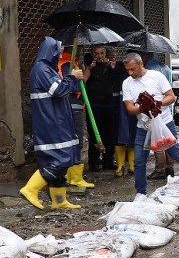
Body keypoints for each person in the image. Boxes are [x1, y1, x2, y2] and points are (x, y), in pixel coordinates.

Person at [121, 53, 179, 198]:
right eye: (127, 70)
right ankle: (141, 193)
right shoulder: (127, 83)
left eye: (133, 69)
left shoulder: (156, 76)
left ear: (141, 63)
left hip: (164, 123)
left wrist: (156, 104)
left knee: (175, 153)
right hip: (143, 125)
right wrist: (143, 108)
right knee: (139, 160)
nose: (130, 73)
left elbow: (171, 97)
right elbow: (129, 108)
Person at [19, 37, 87, 210]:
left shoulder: (48, 69)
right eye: (58, 51)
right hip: (51, 121)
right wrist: (72, 78)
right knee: (56, 160)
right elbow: (58, 90)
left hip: (57, 120)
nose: (59, 54)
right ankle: (30, 189)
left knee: (63, 162)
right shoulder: (42, 69)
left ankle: (59, 201)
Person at [58, 48, 95, 191]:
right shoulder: (68, 63)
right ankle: (75, 178)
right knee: (76, 140)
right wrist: (84, 76)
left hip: (73, 105)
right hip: (73, 105)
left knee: (74, 140)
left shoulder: (67, 61)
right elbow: (72, 86)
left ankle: (71, 176)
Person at [85, 46, 119, 172]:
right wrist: (89, 68)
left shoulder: (110, 66)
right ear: (94, 54)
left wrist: (111, 67)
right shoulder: (90, 66)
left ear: (105, 54)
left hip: (108, 105)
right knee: (94, 135)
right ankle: (93, 162)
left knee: (108, 134)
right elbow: (84, 81)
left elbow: (116, 80)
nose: (99, 56)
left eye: (102, 53)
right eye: (97, 53)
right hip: (93, 106)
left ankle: (108, 160)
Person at [145, 53, 174, 179]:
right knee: (167, 138)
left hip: (155, 108)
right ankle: (169, 167)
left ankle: (160, 168)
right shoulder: (166, 68)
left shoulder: (150, 70)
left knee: (157, 139)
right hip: (166, 108)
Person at [112, 56, 137, 178]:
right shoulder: (117, 71)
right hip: (119, 106)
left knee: (132, 133)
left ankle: (131, 165)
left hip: (132, 107)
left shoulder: (136, 75)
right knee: (120, 135)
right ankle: (121, 166)